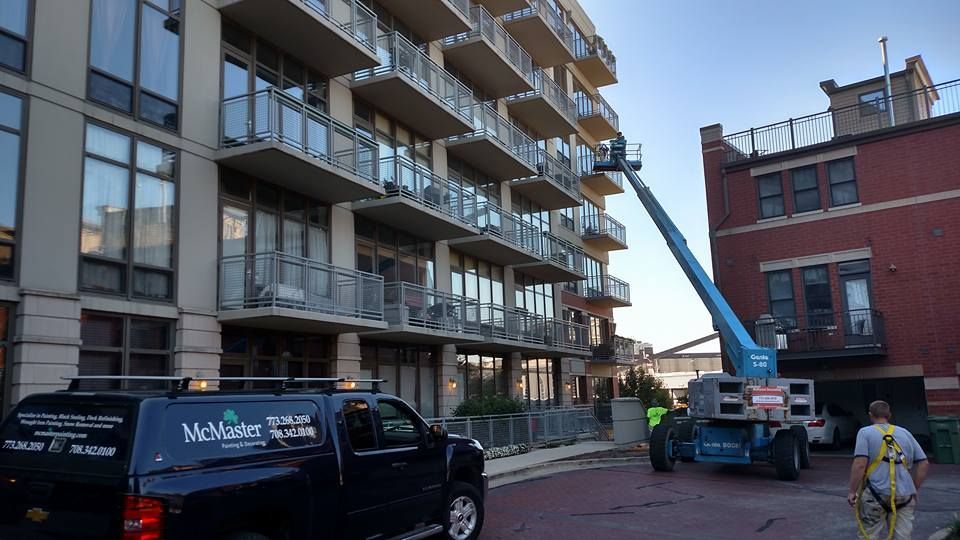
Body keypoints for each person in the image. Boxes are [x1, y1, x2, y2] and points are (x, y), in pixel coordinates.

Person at [847, 400, 929, 540]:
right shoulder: (905, 433)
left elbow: (860, 464)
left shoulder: (865, 433)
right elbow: (924, 463)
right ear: (889, 414)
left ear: (870, 415)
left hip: (875, 494)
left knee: (869, 535)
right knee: (903, 536)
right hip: (904, 495)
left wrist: (852, 491)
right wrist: (913, 488)